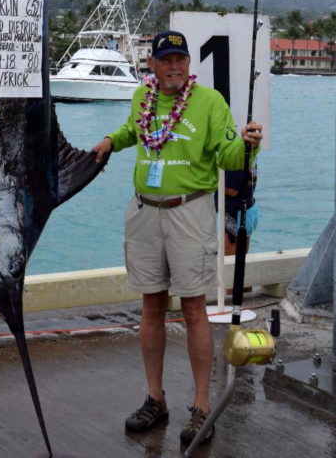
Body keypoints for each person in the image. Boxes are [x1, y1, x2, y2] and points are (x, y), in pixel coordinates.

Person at [92, 29, 262, 447]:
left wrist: (248, 145)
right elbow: (135, 130)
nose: (173, 67)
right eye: (165, 60)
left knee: (193, 310)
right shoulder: (141, 97)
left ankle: (201, 405)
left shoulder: (210, 102)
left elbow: (227, 155)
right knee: (150, 306)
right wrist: (112, 140)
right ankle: (155, 398)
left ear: (189, 64)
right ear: (152, 64)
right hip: (145, 212)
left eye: (180, 60)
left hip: (190, 211)